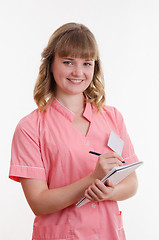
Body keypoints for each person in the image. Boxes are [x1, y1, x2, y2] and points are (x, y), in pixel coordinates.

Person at [9, 22, 139, 240]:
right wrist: (92, 179)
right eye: (68, 62)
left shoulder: (113, 117)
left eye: (87, 63)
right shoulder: (30, 127)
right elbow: (38, 203)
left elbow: (132, 182)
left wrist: (108, 193)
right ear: (51, 64)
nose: (78, 72)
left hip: (108, 234)